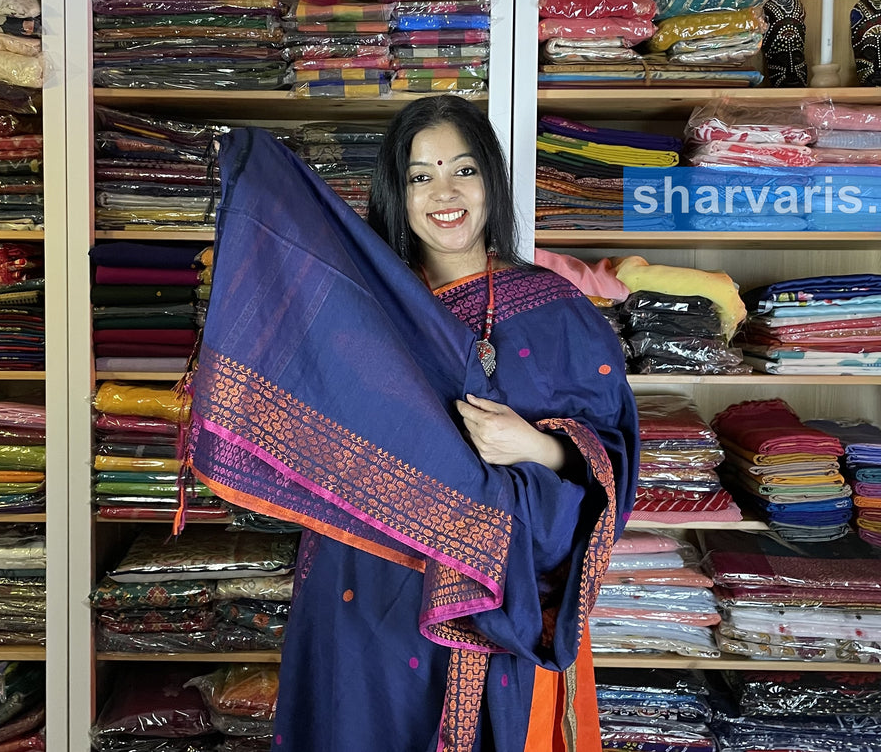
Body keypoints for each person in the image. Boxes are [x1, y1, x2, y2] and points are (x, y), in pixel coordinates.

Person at [186, 95, 639, 752]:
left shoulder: (558, 311)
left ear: (491, 178)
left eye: (462, 170)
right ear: (396, 192)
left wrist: (537, 446)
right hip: (365, 585)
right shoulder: (361, 314)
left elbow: (612, 458)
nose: (443, 193)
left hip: (496, 593)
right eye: (420, 176)